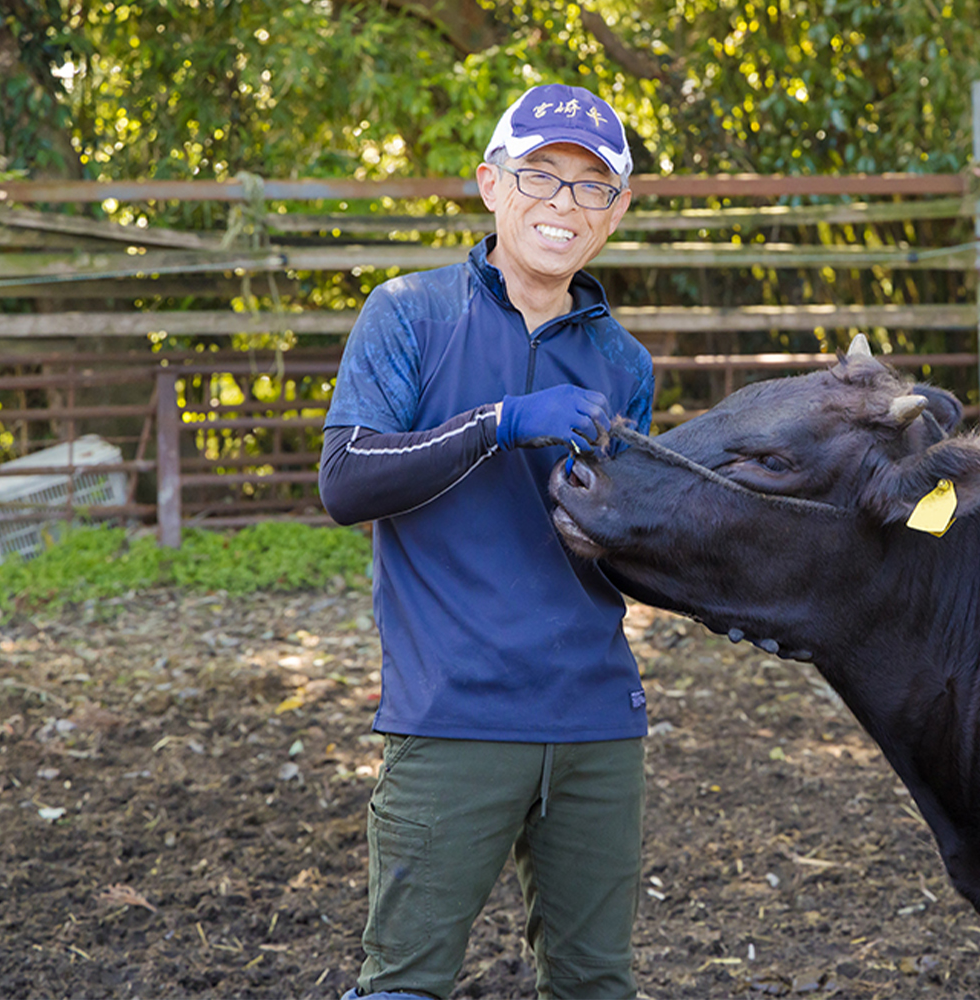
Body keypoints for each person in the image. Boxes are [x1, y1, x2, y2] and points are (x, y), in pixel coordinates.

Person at [319, 82, 654, 1000]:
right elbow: (346, 481)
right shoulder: (411, 316)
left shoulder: (624, 364)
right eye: (540, 175)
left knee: (596, 984)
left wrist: (740, 585)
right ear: (489, 185)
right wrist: (498, 422)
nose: (563, 204)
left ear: (617, 211)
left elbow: (623, 547)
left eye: (592, 187)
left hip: (596, 723)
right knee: (404, 985)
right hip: (454, 717)